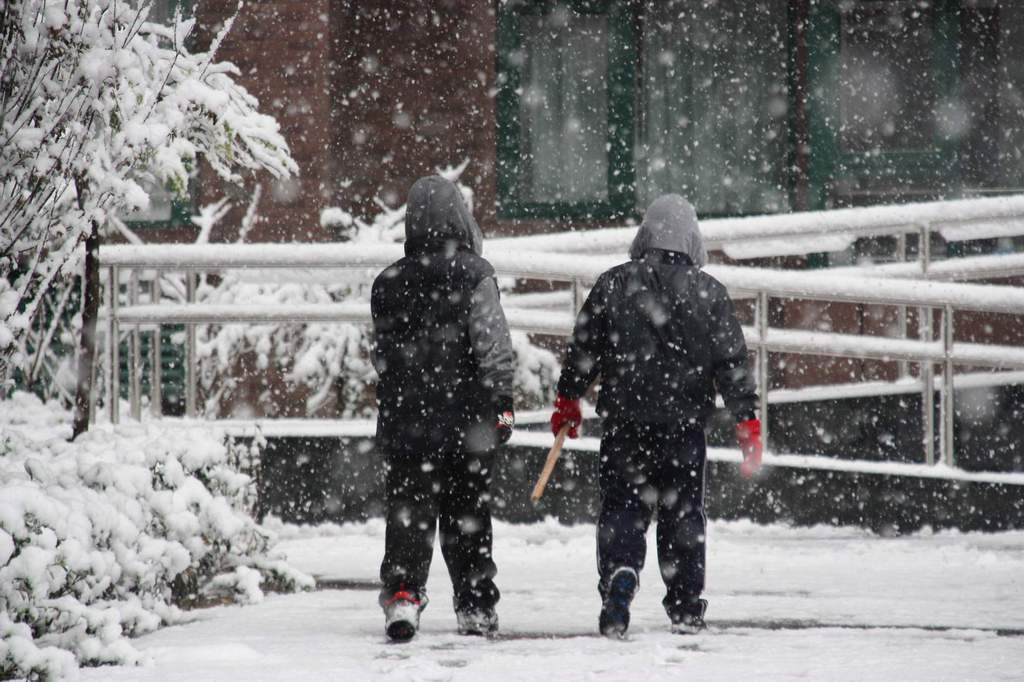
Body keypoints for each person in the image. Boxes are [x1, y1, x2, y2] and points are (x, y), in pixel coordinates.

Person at [549, 194, 762, 637]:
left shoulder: (613, 284)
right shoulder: (710, 293)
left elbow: (584, 349)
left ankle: (620, 576)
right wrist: (746, 419)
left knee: (623, 506)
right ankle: (685, 605)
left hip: (625, 424)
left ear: (644, 235)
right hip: (685, 428)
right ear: (692, 239)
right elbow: (732, 363)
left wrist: (569, 398)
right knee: (683, 513)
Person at [371, 175, 515, 642]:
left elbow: (384, 358)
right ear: (460, 216)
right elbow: (494, 347)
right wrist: (503, 409)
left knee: (408, 514)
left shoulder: (387, 282)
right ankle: (474, 605)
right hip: (467, 424)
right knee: (466, 515)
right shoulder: (476, 274)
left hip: (407, 424)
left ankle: (404, 596)